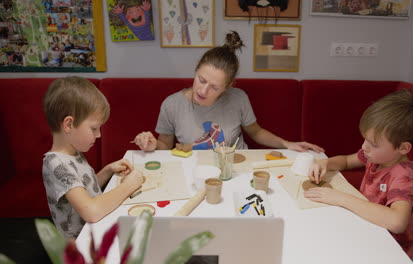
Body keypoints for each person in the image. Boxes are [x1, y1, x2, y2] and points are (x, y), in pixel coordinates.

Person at [134, 31, 324, 153]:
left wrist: (287, 144)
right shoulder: (172, 104)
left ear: (228, 86)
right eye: (201, 80)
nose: (203, 90)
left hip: (236, 167)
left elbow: (256, 132)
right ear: (196, 70)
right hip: (194, 170)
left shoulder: (238, 98)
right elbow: (165, 145)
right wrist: (152, 146)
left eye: (215, 87)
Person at [304, 89, 413, 257]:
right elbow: (347, 161)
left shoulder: (404, 174)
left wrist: (341, 198)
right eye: (365, 139)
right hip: (367, 227)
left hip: (388, 249)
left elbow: (397, 222)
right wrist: (325, 162)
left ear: (403, 148)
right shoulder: (376, 156)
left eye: (373, 143)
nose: (364, 147)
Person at [42, 76, 144, 238]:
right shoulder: (57, 164)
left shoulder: (72, 153)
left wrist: (108, 170)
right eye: (94, 128)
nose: (98, 135)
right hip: (82, 246)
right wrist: (129, 186)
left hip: (96, 230)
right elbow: (91, 211)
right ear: (69, 124)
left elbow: (85, 188)